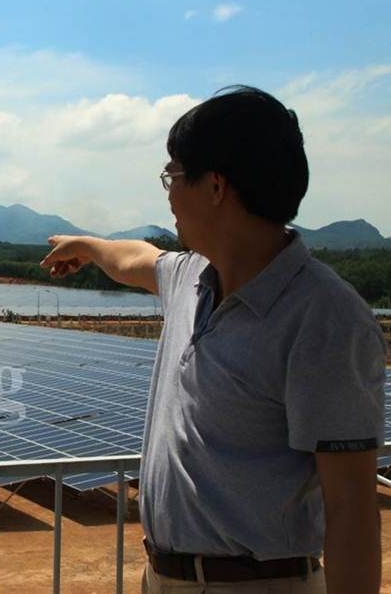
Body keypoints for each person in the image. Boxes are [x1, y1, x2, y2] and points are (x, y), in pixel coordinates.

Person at [40, 85, 386, 593]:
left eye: (173, 177)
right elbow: (135, 257)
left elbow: (352, 510)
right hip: (162, 577)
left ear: (216, 186)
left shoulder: (325, 319)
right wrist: (89, 246)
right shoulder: (190, 276)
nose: (169, 195)